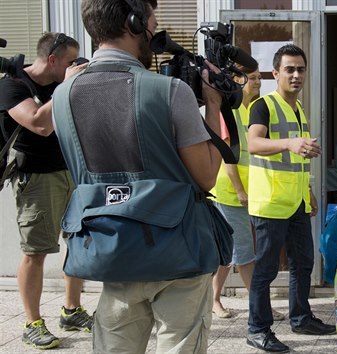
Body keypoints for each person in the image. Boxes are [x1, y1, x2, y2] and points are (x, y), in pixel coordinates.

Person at [52, 0, 226, 352]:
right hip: (178, 252)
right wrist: (213, 107)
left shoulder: (61, 96)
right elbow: (207, 175)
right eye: (152, 24)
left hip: (111, 251)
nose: (154, 33)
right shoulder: (170, 92)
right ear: (134, 24)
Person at [0, 32, 92, 350]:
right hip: (37, 179)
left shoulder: (60, 83)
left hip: (71, 173)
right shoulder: (12, 84)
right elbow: (40, 124)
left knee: (79, 243)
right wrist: (68, 85)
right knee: (36, 253)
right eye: (69, 62)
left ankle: (71, 310)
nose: (73, 67)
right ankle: (32, 322)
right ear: (52, 60)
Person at [246, 44, 335, 353]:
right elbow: (254, 143)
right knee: (267, 270)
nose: (296, 75)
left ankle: (301, 317)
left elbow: (298, 158)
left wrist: (308, 191)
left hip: (296, 201)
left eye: (300, 69)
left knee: (304, 263)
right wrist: (290, 143)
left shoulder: (299, 109)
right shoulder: (263, 105)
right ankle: (257, 328)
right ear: (276, 73)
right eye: (289, 69)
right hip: (270, 202)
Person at [209, 65, 285, 322]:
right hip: (232, 192)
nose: (257, 83)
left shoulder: (250, 109)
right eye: (252, 79)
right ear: (237, 81)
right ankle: (260, 307)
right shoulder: (229, 111)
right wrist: (240, 191)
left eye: (258, 79)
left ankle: (214, 299)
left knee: (229, 250)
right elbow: (227, 154)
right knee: (245, 255)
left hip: (250, 192)